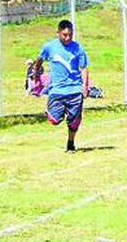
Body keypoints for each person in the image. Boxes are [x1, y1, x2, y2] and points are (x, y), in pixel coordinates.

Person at [35, 20, 89, 152]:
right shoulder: (49, 47)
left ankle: (71, 143)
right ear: (58, 33)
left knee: (74, 122)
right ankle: (57, 111)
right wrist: (36, 73)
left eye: (70, 35)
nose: (68, 38)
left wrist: (85, 86)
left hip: (75, 89)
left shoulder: (78, 48)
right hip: (57, 91)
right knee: (54, 120)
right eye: (64, 35)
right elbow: (40, 59)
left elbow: (84, 68)